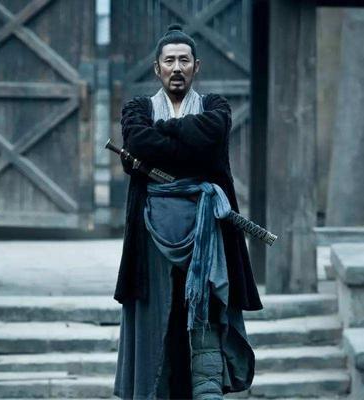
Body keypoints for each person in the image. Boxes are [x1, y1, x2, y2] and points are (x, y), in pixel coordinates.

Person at [113, 23, 263, 400]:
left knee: (204, 314)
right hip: (153, 231)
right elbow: (138, 141)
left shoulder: (216, 107)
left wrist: (161, 140)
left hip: (206, 233)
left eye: (184, 60)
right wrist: (188, 144)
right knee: (158, 316)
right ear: (157, 68)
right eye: (169, 61)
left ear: (197, 66)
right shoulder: (137, 108)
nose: (176, 68)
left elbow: (208, 138)